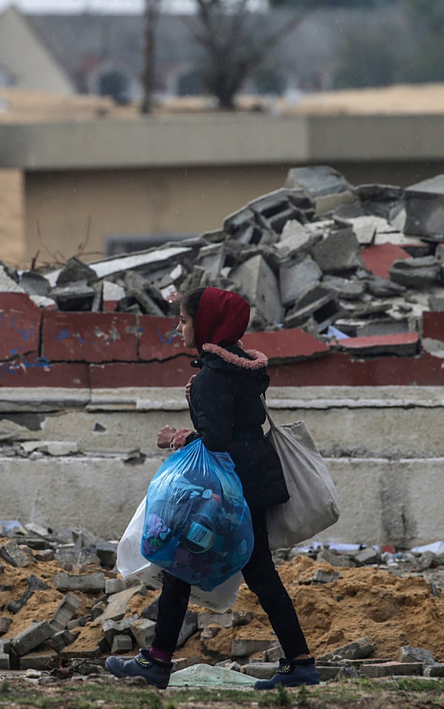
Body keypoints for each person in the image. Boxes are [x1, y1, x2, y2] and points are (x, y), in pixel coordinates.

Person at [107, 287, 318, 691]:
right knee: (228, 570)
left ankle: (159, 662)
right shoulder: (243, 369)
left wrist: (177, 437)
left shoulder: (211, 377)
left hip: (227, 490)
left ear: (205, 324)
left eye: (184, 320)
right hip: (253, 480)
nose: (179, 327)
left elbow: (216, 440)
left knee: (184, 563)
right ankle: (298, 662)